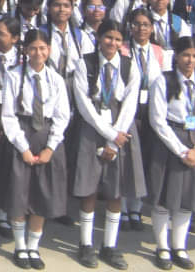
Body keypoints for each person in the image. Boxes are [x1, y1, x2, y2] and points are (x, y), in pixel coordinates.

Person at [69, 20, 142, 270]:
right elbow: (84, 104)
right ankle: (86, 243)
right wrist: (108, 132)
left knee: (115, 190)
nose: (112, 43)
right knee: (89, 188)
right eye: (108, 37)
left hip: (121, 129)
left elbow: (130, 103)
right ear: (99, 38)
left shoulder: (129, 66)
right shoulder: (85, 63)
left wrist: (114, 139)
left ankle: (110, 245)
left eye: (118, 39)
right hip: (92, 128)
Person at [146, 38, 195, 271]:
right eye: (186, 55)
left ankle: (179, 247)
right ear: (176, 56)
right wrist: (181, 151)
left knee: (187, 200)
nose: (190, 60)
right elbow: (157, 120)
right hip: (170, 143)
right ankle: (162, 247)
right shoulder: (163, 81)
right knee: (164, 199)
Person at [1, 28, 71, 270]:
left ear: (49, 50)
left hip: (47, 137)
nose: (38, 53)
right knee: (19, 194)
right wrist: (23, 148)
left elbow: (62, 116)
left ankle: (33, 246)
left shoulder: (56, 79)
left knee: (42, 194)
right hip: (21, 135)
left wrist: (51, 147)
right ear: (25, 50)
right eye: (33, 48)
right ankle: (20, 246)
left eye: (42, 48)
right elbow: (8, 115)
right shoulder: (13, 76)